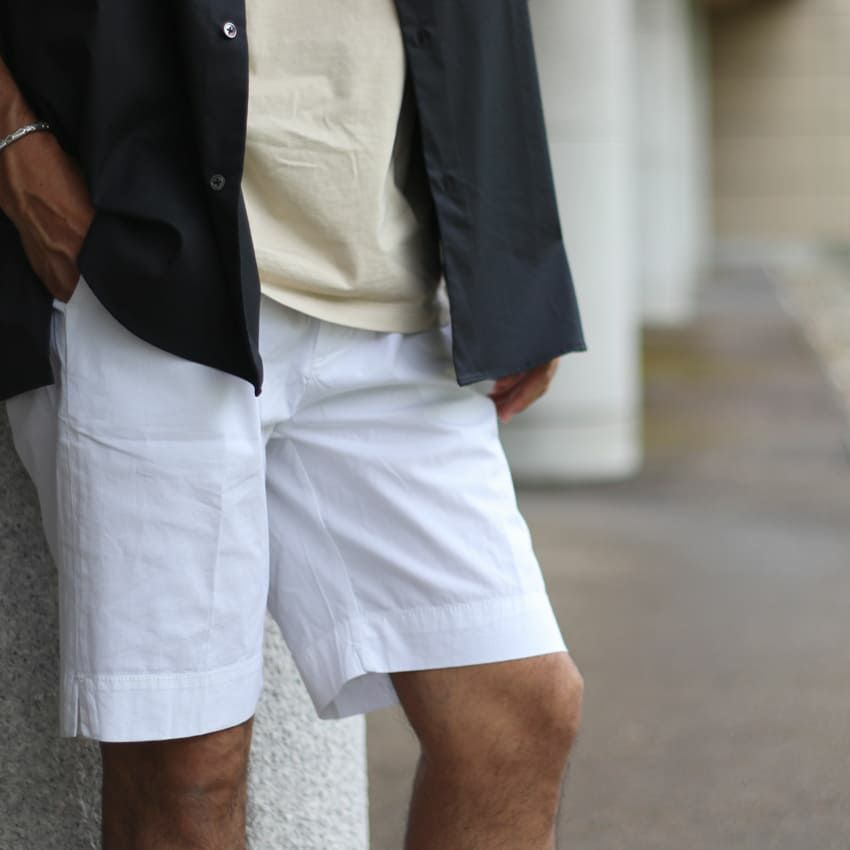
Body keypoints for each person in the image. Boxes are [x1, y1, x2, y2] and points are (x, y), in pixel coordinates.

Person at [0, 1, 587, 847]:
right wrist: (16, 151)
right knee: (185, 770)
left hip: (389, 282)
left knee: (519, 713)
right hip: (144, 277)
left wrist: (513, 253)